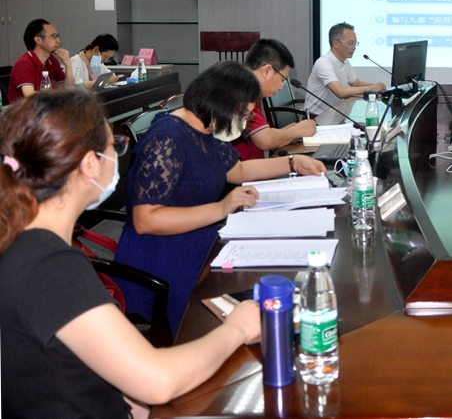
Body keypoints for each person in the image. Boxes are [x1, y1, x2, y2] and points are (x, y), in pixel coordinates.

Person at [0, 89, 260, 419]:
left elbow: (82, 366)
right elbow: (157, 381)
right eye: (116, 145)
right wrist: (237, 328)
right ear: (90, 164)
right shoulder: (50, 266)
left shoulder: (23, 242)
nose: (119, 154)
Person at [114, 61, 327, 335]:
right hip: (161, 255)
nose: (244, 122)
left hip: (200, 237)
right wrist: (222, 207)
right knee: (240, 299)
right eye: (243, 113)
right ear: (222, 103)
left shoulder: (204, 129)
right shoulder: (167, 138)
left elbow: (238, 171)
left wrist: (292, 162)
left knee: (265, 278)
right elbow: (146, 220)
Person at [233, 38, 318, 161]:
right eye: (282, 80)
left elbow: (257, 135)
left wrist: (289, 131)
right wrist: (298, 131)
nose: (280, 87)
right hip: (244, 170)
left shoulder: (247, 86)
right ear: (267, 71)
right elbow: (265, 140)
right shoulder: (243, 91)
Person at [304, 22, 387, 116]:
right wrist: (372, 88)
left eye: (355, 43)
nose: (354, 47)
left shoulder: (345, 62)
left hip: (335, 114)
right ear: (336, 43)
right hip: (316, 118)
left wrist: (376, 85)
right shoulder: (323, 63)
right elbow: (340, 92)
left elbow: (357, 84)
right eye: (350, 43)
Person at [8, 18, 75, 102]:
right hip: (26, 109)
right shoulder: (24, 63)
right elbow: (30, 97)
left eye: (57, 36)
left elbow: (68, 88)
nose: (58, 41)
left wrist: (68, 64)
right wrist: (55, 93)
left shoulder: (51, 60)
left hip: (46, 107)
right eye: (54, 36)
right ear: (38, 40)